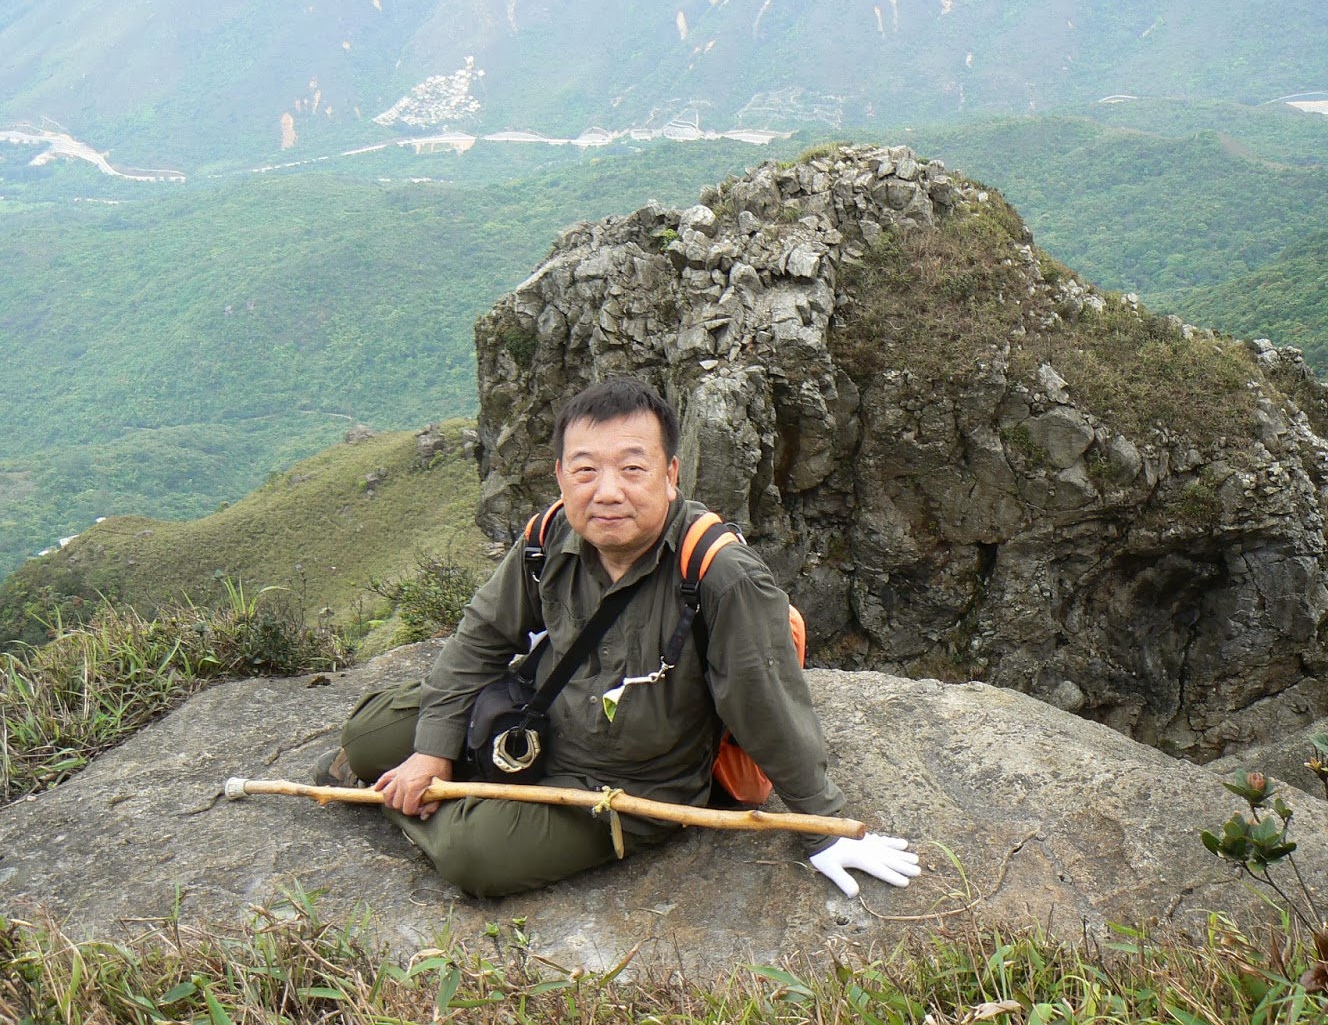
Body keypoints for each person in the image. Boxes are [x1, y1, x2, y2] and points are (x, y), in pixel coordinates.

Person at [319, 376, 919, 899]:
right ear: (561, 476)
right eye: (585, 470)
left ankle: (412, 801)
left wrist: (823, 827)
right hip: (540, 714)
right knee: (369, 736)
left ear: (670, 475)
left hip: (626, 783)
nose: (607, 491)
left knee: (472, 856)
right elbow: (481, 638)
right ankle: (440, 784)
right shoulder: (549, 536)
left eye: (633, 468)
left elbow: (765, 705)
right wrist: (430, 752)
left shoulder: (719, 574)